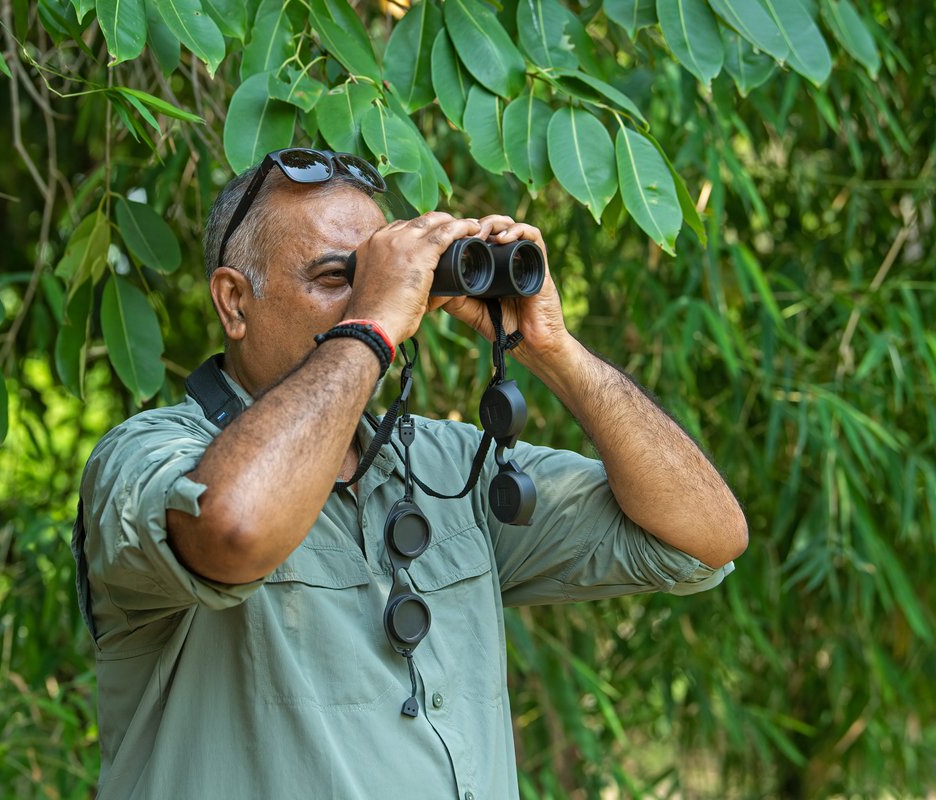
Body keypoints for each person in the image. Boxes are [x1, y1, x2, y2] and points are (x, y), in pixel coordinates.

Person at [71, 148, 747, 800]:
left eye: (385, 280)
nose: (385, 308)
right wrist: (368, 324)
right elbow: (235, 530)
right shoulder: (144, 458)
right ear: (234, 302)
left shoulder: (448, 467)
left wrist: (550, 350)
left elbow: (704, 536)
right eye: (339, 277)